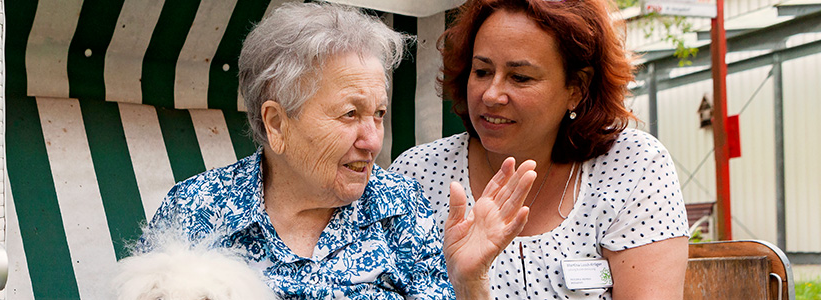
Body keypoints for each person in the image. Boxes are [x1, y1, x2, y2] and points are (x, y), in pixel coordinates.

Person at [143, 2, 536, 299]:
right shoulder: (196, 208)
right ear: (277, 123)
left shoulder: (401, 207)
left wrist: (469, 284)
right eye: (350, 114)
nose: (373, 140)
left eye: (379, 114)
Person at [388, 0, 690, 298]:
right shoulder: (418, 174)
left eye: (520, 77)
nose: (491, 94)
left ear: (577, 89)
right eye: (481, 71)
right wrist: (468, 287)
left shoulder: (633, 166)